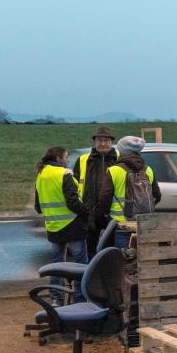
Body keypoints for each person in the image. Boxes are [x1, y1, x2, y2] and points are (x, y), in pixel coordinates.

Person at [35, 147, 89, 305]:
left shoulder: (41, 175)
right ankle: (79, 299)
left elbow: (38, 206)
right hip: (72, 225)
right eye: (66, 157)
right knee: (80, 264)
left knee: (56, 264)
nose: (68, 160)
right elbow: (73, 202)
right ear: (58, 159)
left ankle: (56, 299)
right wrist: (87, 212)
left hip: (53, 226)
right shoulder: (65, 174)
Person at [71, 125, 118, 257]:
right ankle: (92, 275)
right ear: (94, 142)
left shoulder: (119, 158)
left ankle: (110, 275)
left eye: (106, 140)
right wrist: (82, 209)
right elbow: (74, 183)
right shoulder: (83, 159)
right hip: (89, 211)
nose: (103, 143)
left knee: (112, 250)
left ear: (112, 142)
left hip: (113, 211)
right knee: (90, 250)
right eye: (99, 140)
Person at [97, 136, 161, 224]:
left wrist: (104, 214)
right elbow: (157, 195)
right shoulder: (148, 170)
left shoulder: (114, 170)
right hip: (143, 221)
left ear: (122, 151)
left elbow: (105, 197)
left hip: (120, 222)